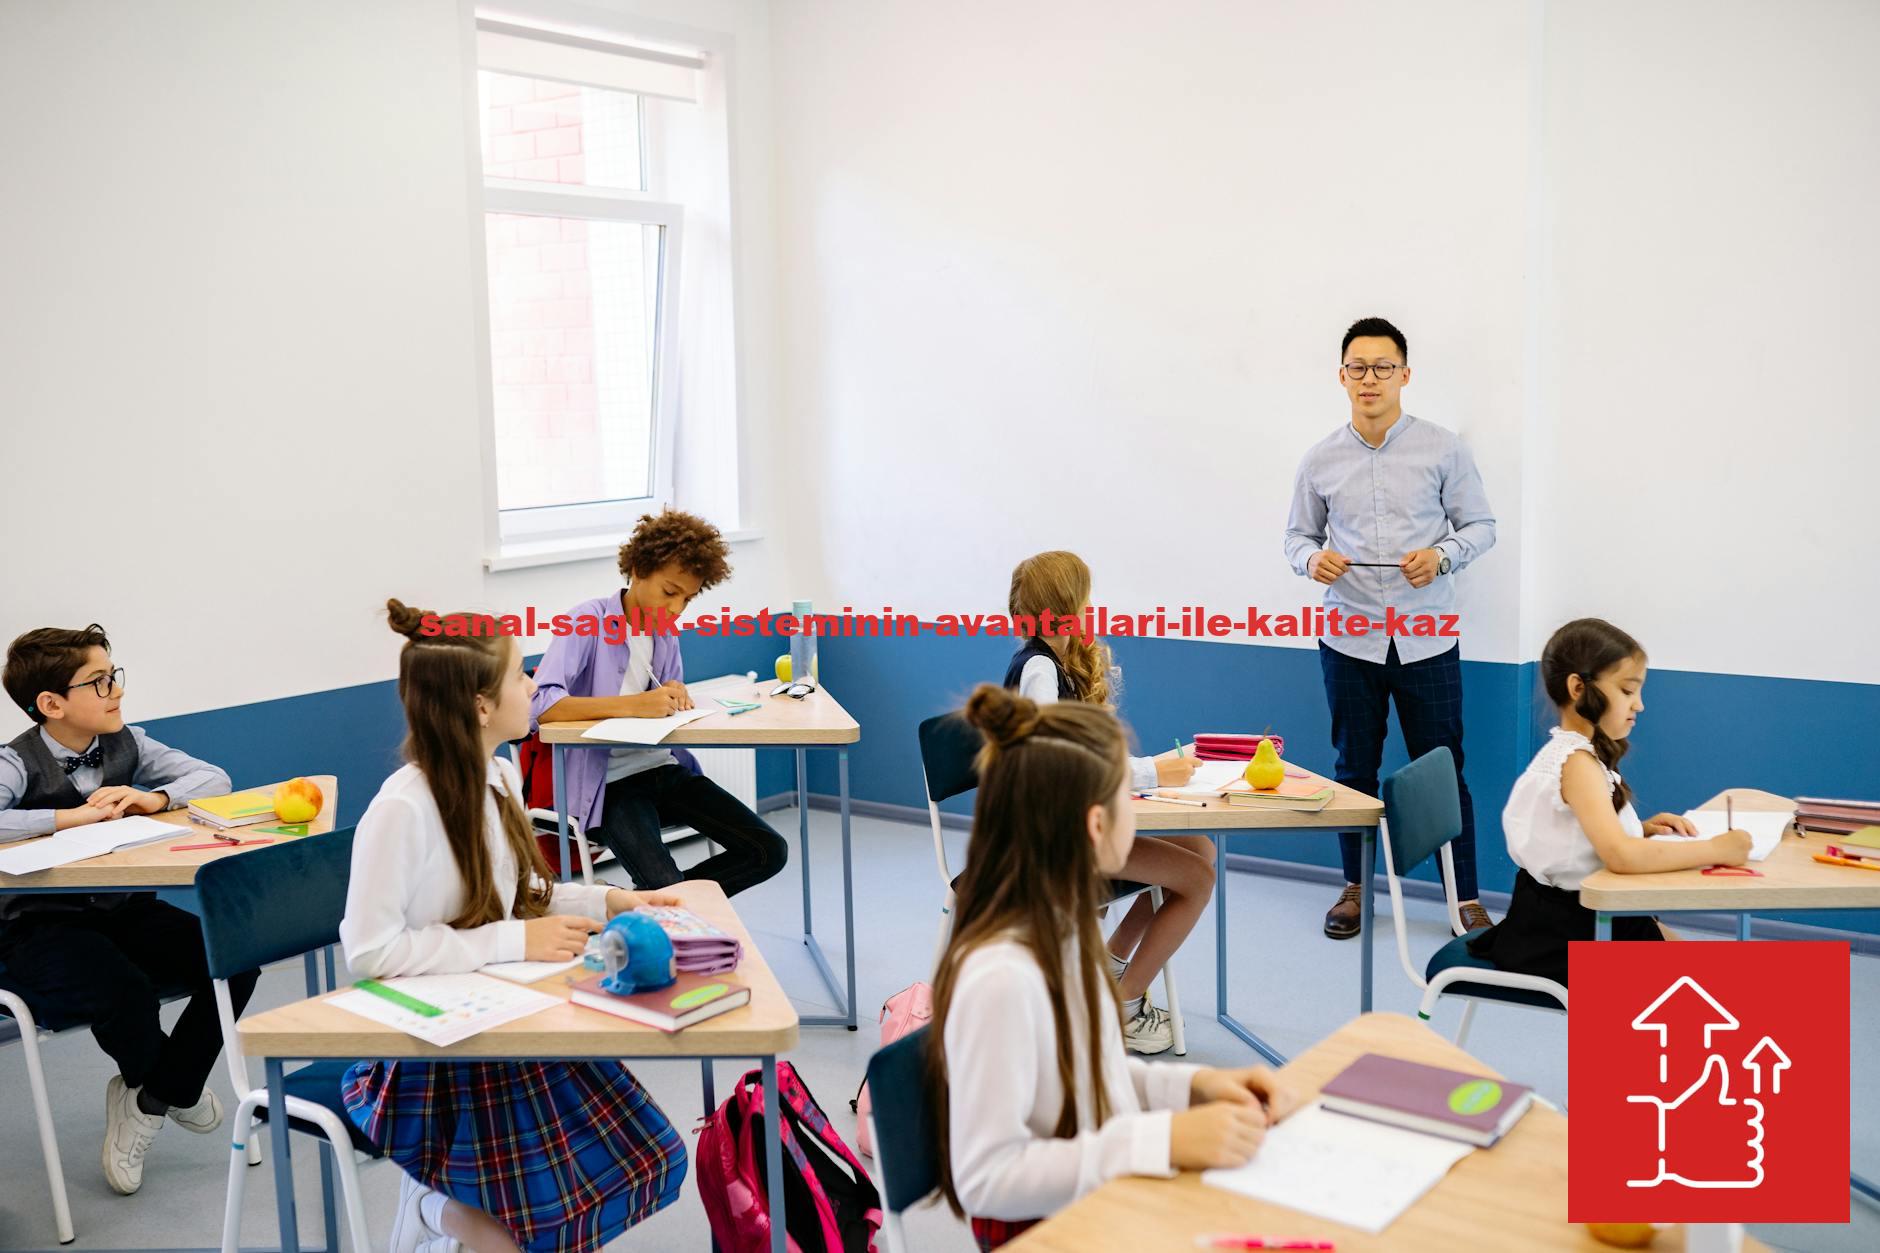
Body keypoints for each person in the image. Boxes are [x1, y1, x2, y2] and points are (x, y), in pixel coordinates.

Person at [340, 599, 687, 1253]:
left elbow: (522, 889)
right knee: (530, 1233)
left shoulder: (500, 775)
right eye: (521, 673)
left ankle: (449, 1214)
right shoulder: (400, 810)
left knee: (655, 1161)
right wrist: (512, 940)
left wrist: (610, 902)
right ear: (478, 705)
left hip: (507, 1016)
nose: (534, 684)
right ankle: (433, 1208)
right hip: (430, 1054)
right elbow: (369, 952)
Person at [927, 684, 1299, 1249]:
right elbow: (985, 1180)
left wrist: (1198, 1085)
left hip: (1105, 1200)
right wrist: (1164, 1141)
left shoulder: (1066, 929)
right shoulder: (1002, 976)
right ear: (1097, 826)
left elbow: (1095, 1076)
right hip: (1058, 1230)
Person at [0, 623, 251, 1195]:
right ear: (51, 703)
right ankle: (164, 1083)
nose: (117, 690)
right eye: (99, 681)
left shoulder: (128, 741)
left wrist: (153, 797)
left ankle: (155, 1096)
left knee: (235, 958)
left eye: (114, 675)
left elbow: (215, 778)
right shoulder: (15, 762)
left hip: (121, 908)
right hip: (38, 927)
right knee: (126, 989)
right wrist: (66, 817)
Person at [1283, 316, 1498, 939]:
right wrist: (1310, 559)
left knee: (1442, 768)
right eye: (1358, 367)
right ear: (1341, 376)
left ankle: (1463, 899)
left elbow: (1481, 526)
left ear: (1405, 375)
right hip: (1348, 638)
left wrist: (1442, 556)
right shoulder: (1320, 459)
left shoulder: (1444, 449)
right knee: (1353, 768)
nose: (1369, 379)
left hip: (1427, 637)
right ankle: (1355, 889)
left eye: (1383, 367)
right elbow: (1296, 537)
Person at [1004, 549, 1213, 1054]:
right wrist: (1151, 771)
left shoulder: (1054, 663)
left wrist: (1150, 771)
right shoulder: (1039, 672)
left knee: (1200, 848)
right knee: (1199, 880)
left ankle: (1108, 969)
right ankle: (1123, 1007)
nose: (1092, 606)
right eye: (1085, 598)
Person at [1467, 618, 1750, 984]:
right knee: (1728, 988)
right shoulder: (1577, 763)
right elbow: (1620, 856)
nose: (1640, 705)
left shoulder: (1579, 754)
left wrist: (1643, 830)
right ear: (1578, 688)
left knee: (1717, 978)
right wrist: (1717, 850)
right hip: (1565, 936)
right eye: (1628, 691)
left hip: (1570, 918)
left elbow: (1579, 838)